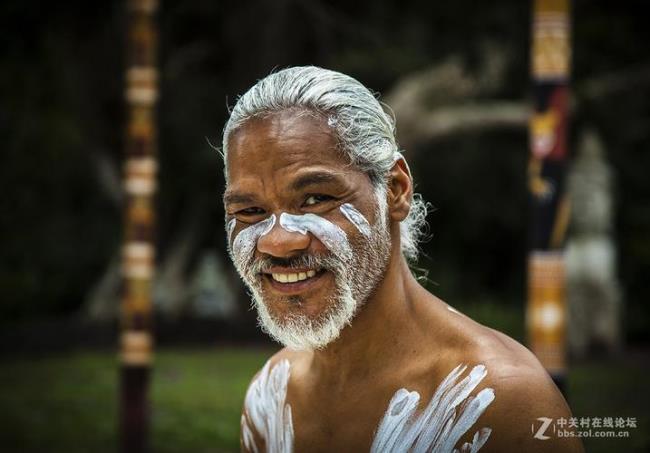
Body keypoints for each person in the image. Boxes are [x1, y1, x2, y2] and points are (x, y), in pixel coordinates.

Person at [221, 66, 583, 453]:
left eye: (316, 199)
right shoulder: (271, 397)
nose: (278, 241)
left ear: (395, 190)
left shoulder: (500, 402)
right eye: (251, 211)